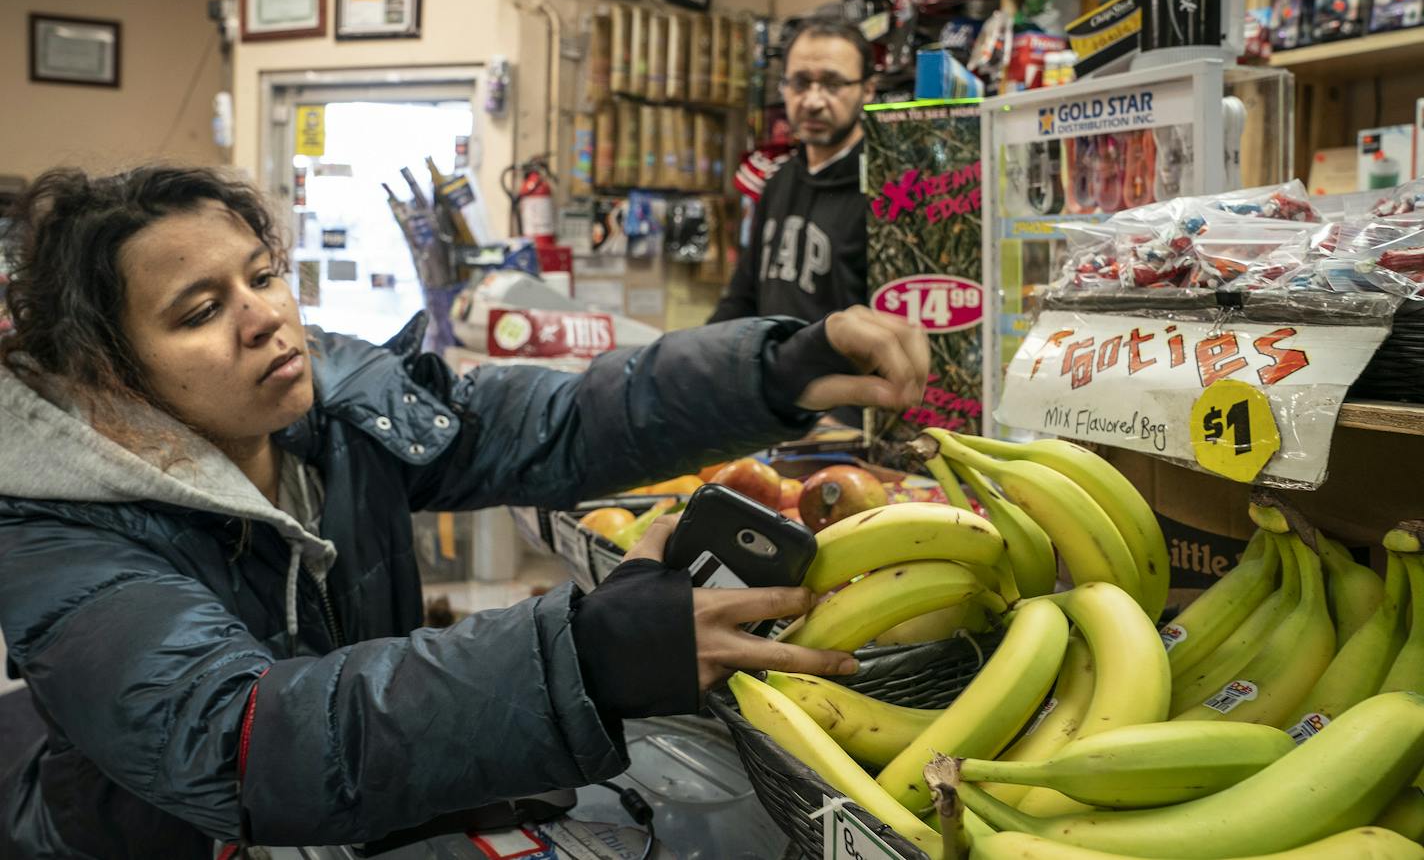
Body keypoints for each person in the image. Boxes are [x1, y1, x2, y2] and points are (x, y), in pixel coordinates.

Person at [0, 165, 930, 858]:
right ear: (107, 373)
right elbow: (238, 736)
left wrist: (770, 372)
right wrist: (586, 652)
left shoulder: (339, 401)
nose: (264, 318)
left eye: (263, 274)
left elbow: (554, 424)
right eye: (201, 309)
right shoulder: (56, 531)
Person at [708, 19, 877, 327]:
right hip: (772, 372)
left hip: (848, 376)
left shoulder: (886, 191)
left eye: (833, 84)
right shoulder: (778, 180)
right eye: (800, 83)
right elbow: (742, 297)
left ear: (867, 90)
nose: (812, 101)